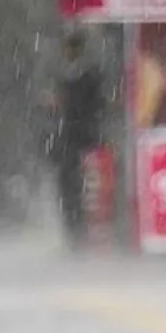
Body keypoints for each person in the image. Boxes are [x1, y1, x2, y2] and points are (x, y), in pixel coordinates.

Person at [51, 31, 104, 248]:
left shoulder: (86, 77)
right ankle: (74, 231)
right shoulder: (73, 76)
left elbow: (87, 106)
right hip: (76, 140)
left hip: (81, 141)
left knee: (81, 187)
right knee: (73, 187)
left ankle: (79, 232)